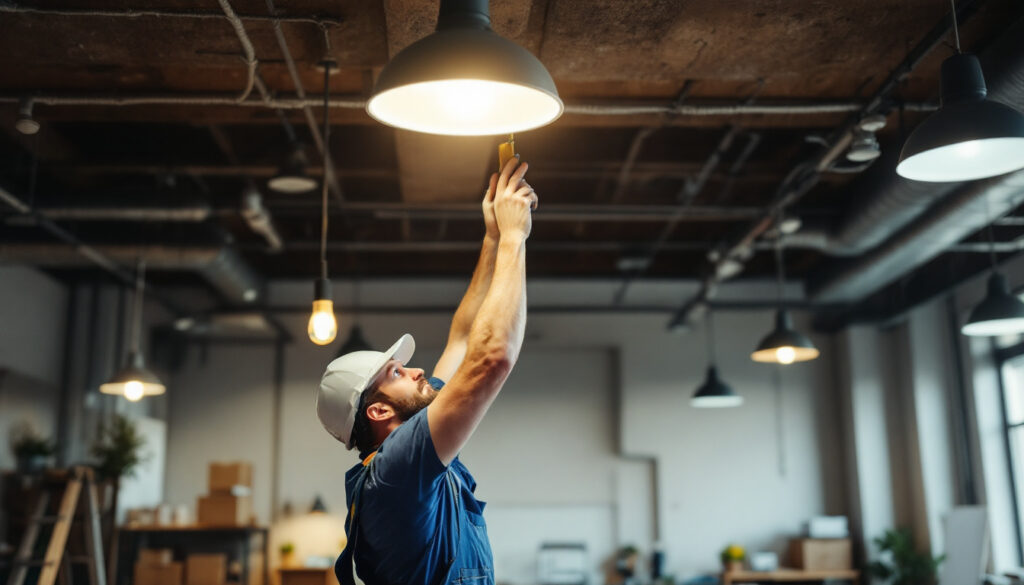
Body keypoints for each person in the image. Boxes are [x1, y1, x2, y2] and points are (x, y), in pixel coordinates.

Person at [316, 156, 538, 585]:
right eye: (397, 373)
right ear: (378, 412)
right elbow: (491, 358)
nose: (418, 371)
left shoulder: (409, 447)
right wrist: (516, 237)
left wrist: (492, 238)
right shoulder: (397, 471)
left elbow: (463, 336)